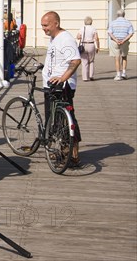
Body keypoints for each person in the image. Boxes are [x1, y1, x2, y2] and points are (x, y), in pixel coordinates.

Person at [41, 11, 82, 167]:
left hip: (61, 87)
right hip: (52, 86)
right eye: (42, 26)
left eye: (46, 25)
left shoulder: (65, 39)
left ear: (56, 23)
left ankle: (71, 155)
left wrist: (62, 78)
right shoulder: (54, 38)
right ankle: (66, 153)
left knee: (65, 121)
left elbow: (75, 60)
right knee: (57, 122)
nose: (44, 29)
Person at [108, 10, 134, 80]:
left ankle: (118, 75)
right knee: (124, 57)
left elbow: (110, 33)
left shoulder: (112, 23)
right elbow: (131, 33)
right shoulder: (128, 23)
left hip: (115, 42)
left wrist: (116, 40)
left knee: (117, 58)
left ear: (117, 15)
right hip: (124, 42)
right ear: (124, 15)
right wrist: (123, 40)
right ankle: (124, 73)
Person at [76, 16, 100, 81]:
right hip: (91, 45)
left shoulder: (81, 28)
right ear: (91, 22)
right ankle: (91, 76)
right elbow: (96, 38)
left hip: (83, 45)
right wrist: (98, 47)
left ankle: (85, 78)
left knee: (84, 62)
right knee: (91, 61)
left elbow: (78, 37)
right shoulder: (93, 29)